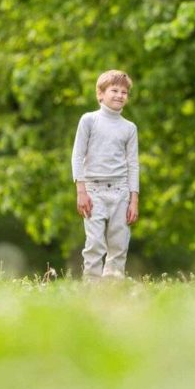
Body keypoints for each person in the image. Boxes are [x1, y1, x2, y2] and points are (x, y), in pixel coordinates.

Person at [71, 70, 139, 280]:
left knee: (119, 243)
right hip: (93, 191)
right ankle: (91, 286)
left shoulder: (129, 128)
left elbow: (133, 164)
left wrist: (133, 199)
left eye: (124, 92)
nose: (119, 95)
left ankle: (112, 288)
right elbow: (77, 156)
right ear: (100, 94)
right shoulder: (89, 120)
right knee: (95, 243)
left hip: (120, 192)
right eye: (114, 90)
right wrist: (81, 191)